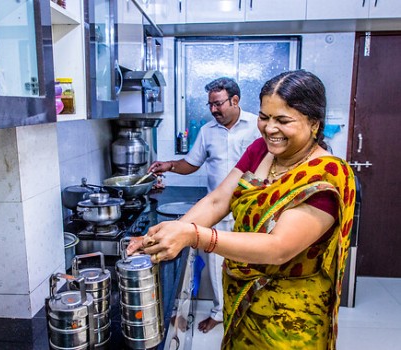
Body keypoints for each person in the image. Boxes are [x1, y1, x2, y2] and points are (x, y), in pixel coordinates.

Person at [130, 70, 356, 349]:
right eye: (264, 117)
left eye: (283, 120)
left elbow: (278, 248)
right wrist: (171, 231)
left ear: (313, 123)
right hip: (242, 299)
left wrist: (194, 236)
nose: (269, 128)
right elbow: (217, 201)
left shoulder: (325, 175)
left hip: (290, 315)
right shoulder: (261, 150)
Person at [148, 77, 260, 333]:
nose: (213, 110)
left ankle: (249, 310)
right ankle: (220, 312)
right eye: (210, 105)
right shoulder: (209, 131)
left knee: (251, 262)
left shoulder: (257, 126)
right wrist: (169, 165)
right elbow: (192, 163)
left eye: (218, 104)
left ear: (235, 100)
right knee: (216, 265)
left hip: (250, 210)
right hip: (217, 211)